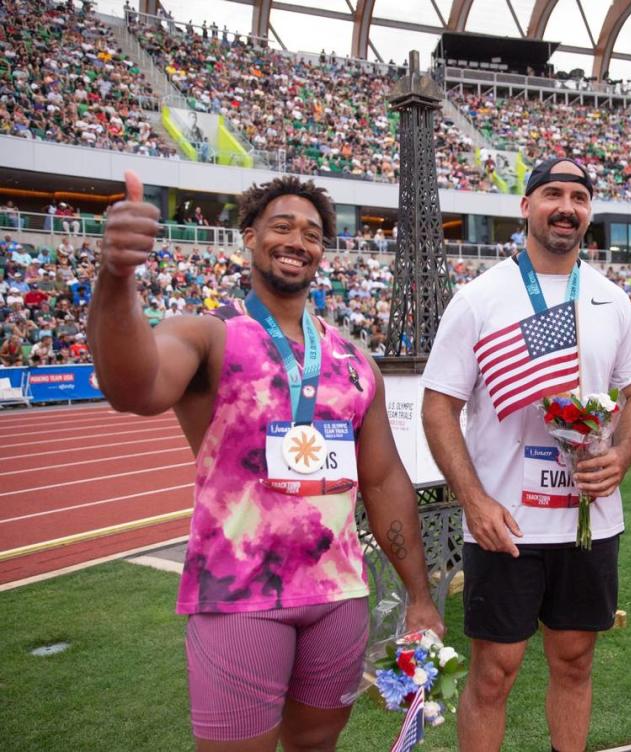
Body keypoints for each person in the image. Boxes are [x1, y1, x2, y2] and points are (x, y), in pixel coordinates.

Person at [89, 172, 443, 751]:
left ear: (323, 252)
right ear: (249, 238)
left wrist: (420, 596)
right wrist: (117, 275)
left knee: (317, 745)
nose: (297, 240)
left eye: (311, 233)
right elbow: (134, 388)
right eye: (281, 226)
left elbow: (382, 480)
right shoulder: (209, 333)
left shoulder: (354, 359)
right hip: (239, 596)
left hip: (338, 594)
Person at [421, 157, 631, 752]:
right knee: (495, 671)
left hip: (589, 522)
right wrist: (472, 501)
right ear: (526, 206)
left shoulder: (611, 300)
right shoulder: (479, 298)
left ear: (588, 213)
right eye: (553, 193)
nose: (567, 206)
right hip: (506, 523)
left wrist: (622, 456)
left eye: (579, 196)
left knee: (574, 661)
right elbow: (438, 406)